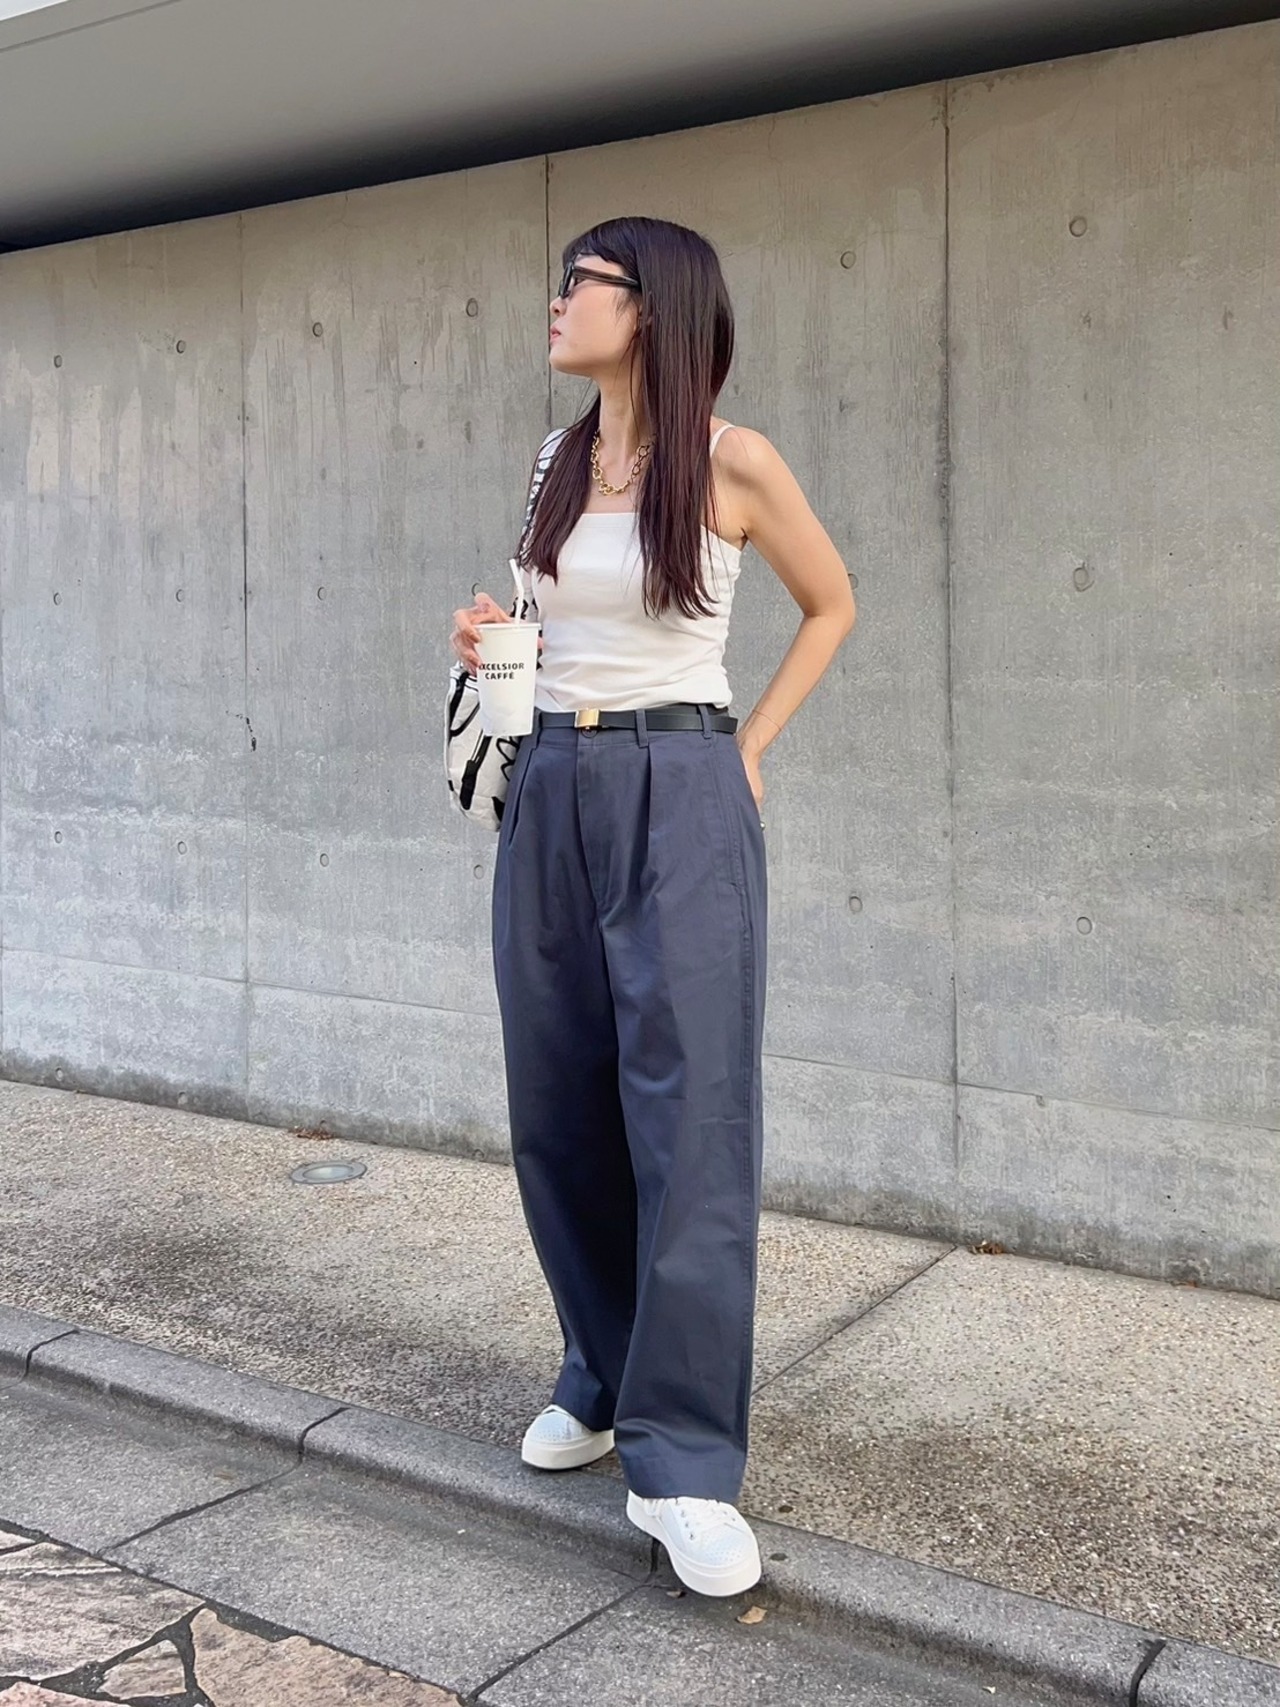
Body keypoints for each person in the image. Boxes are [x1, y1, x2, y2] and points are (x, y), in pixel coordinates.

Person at [449, 216, 855, 1598]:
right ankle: (603, 1370)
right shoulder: (555, 462)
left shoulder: (734, 460)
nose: (559, 299)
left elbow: (832, 604)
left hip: (680, 785)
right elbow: (554, 624)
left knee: (690, 1122)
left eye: (585, 282)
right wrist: (490, 642)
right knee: (556, 1102)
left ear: (654, 305)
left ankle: (682, 1464)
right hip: (549, 782)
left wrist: (747, 752)